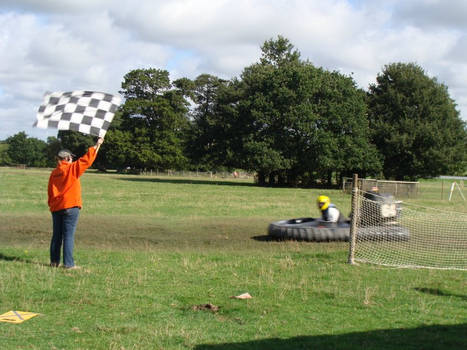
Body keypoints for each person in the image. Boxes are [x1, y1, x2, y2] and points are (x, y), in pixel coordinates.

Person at [48, 137, 103, 269]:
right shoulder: (71, 169)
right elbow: (87, 160)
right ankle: (68, 264)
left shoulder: (54, 173)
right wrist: (97, 145)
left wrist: (52, 205)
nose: (72, 159)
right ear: (66, 159)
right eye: (71, 158)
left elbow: (50, 191)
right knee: (68, 236)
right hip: (70, 206)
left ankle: (54, 262)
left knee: (56, 236)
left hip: (56, 208)